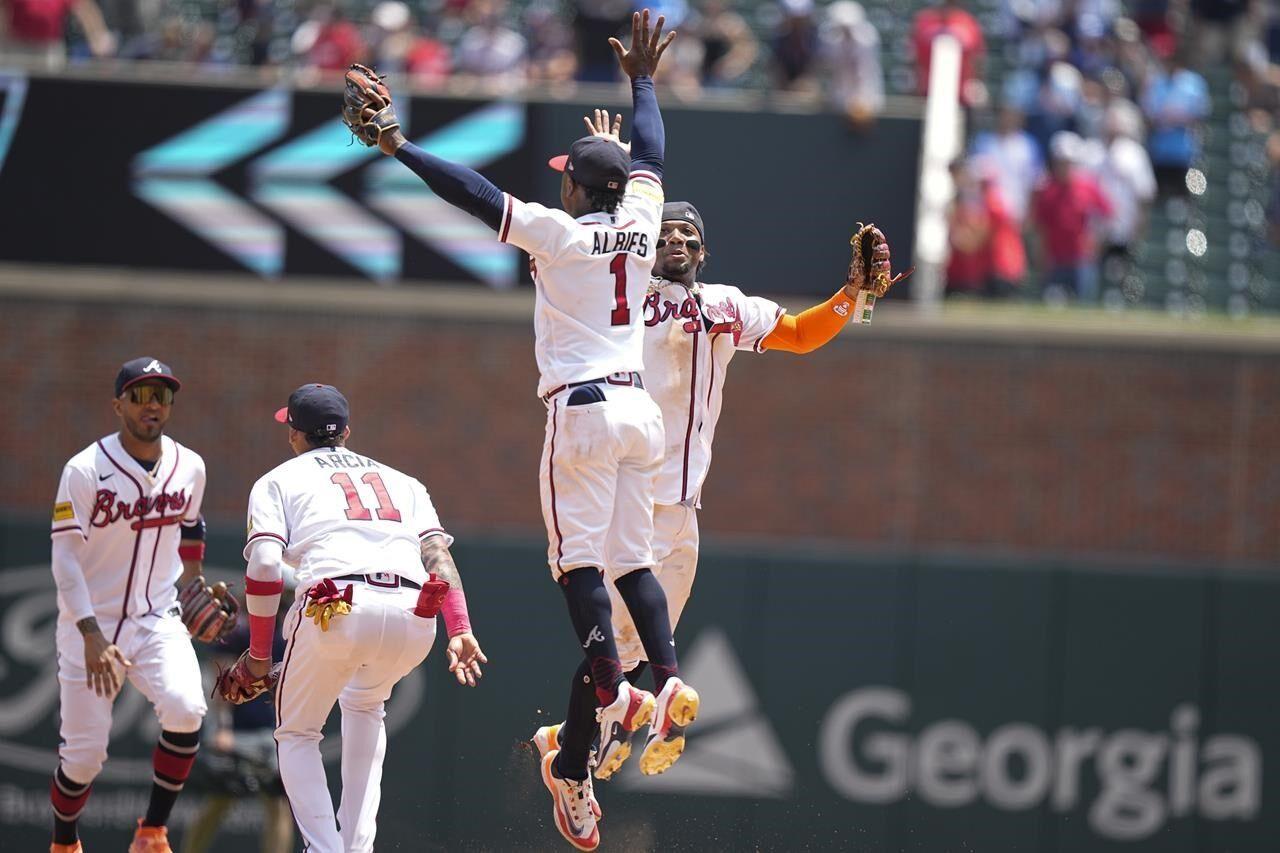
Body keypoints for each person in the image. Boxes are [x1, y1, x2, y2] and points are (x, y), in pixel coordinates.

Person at [364, 11, 691, 851]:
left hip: (581, 409)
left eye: (567, 179)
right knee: (634, 562)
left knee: (579, 563)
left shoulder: (562, 233)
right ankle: (669, 673)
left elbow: (476, 195)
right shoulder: (645, 219)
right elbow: (649, 155)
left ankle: (615, 687)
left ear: (579, 189)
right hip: (638, 411)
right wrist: (644, 83)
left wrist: (399, 145)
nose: (559, 189)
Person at [532, 130, 904, 778]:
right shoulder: (621, 298)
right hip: (632, 492)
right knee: (624, 648)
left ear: (706, 250)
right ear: (649, 244)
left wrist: (855, 299)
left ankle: (577, 736)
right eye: (666, 233)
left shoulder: (726, 305)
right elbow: (592, 239)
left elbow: (796, 334)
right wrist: (612, 170)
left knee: (635, 651)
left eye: (688, 237)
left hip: (684, 511)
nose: (675, 241)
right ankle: (577, 750)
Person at [235, 383, 486, 853]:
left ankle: (326, 849)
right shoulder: (405, 482)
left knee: (297, 732)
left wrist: (257, 654)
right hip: (415, 615)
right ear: (347, 432)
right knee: (367, 707)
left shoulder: (278, 479)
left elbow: (266, 567)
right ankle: (357, 847)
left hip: (337, 605)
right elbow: (436, 556)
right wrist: (461, 627)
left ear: (293, 434)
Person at [48, 357, 214, 853]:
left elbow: (191, 527)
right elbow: (64, 559)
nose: (152, 405)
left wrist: (195, 584)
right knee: (83, 759)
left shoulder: (191, 465)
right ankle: (63, 843)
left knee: (187, 709)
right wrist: (90, 634)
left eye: (161, 395)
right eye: (140, 395)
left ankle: (152, 831)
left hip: (155, 616)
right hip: (90, 622)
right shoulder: (84, 469)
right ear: (118, 404)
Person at [181, 593, 294, 853]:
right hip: (238, 733)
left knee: (278, 803)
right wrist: (222, 729)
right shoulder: (243, 630)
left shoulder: (293, 631)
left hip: (273, 734)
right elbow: (221, 683)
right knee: (219, 801)